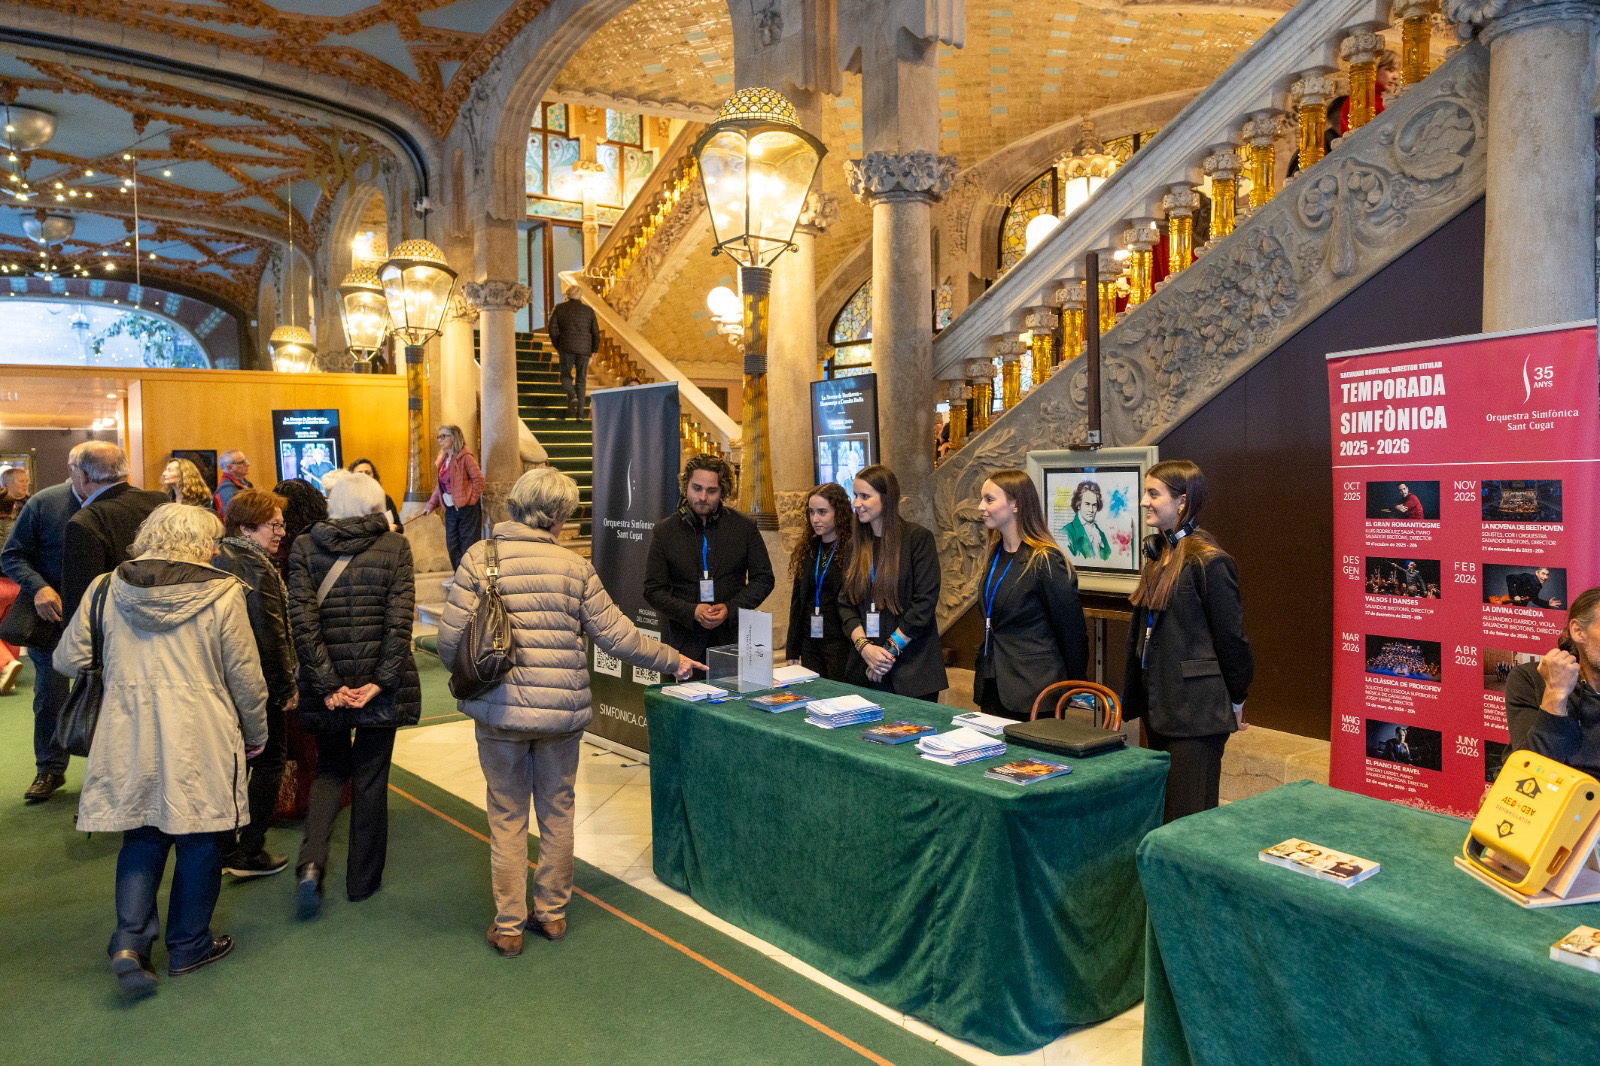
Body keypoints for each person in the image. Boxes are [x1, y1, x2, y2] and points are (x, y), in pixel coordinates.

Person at [436, 467, 703, 958]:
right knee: (558, 810)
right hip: (561, 715)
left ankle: (509, 926)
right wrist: (673, 660)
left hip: (499, 712)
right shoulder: (574, 567)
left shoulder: (479, 558)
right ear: (559, 516)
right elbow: (618, 637)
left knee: (507, 816)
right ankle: (552, 914)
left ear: (517, 505)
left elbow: (449, 641)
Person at [54, 503, 267, 996]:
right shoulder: (223, 592)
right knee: (200, 838)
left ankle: (129, 944)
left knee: (142, 834)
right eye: (213, 541)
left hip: (127, 729)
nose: (215, 549)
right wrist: (256, 731)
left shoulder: (106, 587)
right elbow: (245, 675)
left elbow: (68, 659)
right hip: (201, 730)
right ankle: (189, 946)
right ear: (201, 544)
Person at [287, 472, 419, 917]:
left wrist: (327, 684)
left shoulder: (304, 546)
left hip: (328, 682)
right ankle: (362, 882)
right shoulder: (395, 547)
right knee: (370, 777)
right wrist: (380, 681)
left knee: (329, 770)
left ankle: (311, 863)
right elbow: (400, 621)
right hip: (377, 684)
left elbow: (302, 623)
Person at [1121, 459, 1253, 823]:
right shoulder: (1160, 554)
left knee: (1188, 821)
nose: (1144, 501)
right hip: (1161, 706)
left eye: (1153, 494)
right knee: (1165, 818)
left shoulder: (1209, 561)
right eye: (1145, 493)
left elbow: (1232, 640)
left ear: (1182, 501)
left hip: (1196, 714)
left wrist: (1237, 699)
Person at [213, 489, 298, 879]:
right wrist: (285, 686)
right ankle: (249, 851)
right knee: (269, 762)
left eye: (281, 524)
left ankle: (223, 846)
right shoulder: (256, 567)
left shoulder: (218, 556)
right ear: (246, 528)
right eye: (272, 525)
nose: (280, 532)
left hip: (223, 679)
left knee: (233, 763)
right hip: (256, 681)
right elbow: (270, 635)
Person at [0, 448, 84, 800]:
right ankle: (49, 769)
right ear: (76, 470)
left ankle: (112, 774)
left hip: (106, 617)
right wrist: (39, 587)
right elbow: (12, 555)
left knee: (111, 695)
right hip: (51, 618)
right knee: (50, 694)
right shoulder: (45, 503)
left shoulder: (121, 503)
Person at [972, 469, 1088, 719]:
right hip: (993, 683)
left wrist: (1073, 685)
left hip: (1035, 690)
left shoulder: (1045, 559)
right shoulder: (994, 554)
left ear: (1016, 505)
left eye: (989, 499)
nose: (981, 507)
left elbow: (1072, 630)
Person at [644, 453, 774, 670]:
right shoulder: (665, 532)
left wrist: (730, 609)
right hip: (684, 647)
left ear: (723, 491)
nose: (703, 497)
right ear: (685, 486)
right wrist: (692, 611)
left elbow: (764, 579)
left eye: (711, 491)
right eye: (697, 488)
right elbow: (653, 590)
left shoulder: (744, 528)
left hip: (733, 642)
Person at [838, 464, 947, 702]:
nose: (857, 503)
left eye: (865, 496)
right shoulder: (854, 546)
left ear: (886, 498)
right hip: (864, 667)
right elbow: (845, 604)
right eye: (855, 495)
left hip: (913, 671)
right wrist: (865, 648)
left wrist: (887, 653)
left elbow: (924, 605)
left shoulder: (917, 539)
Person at [60, 442, 168, 648]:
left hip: (116, 637)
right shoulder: (160, 502)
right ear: (126, 471)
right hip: (167, 622)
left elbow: (80, 599)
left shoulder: (85, 521)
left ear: (83, 476)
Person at [1506, 587, 1600, 774]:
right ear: (1578, 631)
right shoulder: (1531, 679)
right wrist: (1556, 695)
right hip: (1553, 790)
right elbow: (1528, 772)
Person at [784, 483, 853, 680]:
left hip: (839, 640)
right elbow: (797, 602)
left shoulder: (851, 549)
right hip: (809, 640)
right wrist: (792, 649)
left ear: (839, 513)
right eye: (811, 512)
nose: (815, 519)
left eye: (822, 512)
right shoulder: (809, 548)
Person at [423, 424, 484, 571]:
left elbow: (479, 480)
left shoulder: (466, 457)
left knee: (467, 543)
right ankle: (458, 574)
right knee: (452, 543)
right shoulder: (444, 460)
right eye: (439, 437)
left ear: (454, 437)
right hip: (450, 509)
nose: (440, 440)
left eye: (444, 436)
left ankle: (468, 576)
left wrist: (470, 500)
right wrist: (430, 505)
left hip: (467, 508)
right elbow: (440, 487)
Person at [548, 285, 599, 419]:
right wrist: (594, 350)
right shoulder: (589, 311)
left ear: (567, 295)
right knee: (581, 380)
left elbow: (552, 329)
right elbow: (595, 332)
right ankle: (580, 414)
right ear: (580, 295)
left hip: (566, 347)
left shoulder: (559, 308)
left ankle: (572, 396)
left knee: (565, 376)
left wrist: (558, 344)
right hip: (584, 350)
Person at [1061, 479, 1112, 562]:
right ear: (1078, 504)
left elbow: (1108, 559)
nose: (1091, 510)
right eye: (1087, 504)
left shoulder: (1100, 533)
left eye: (1094, 505)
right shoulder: (1067, 532)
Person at [347, 458, 403, 532]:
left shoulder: (385, 499)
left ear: (374, 477)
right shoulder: (346, 502)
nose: (364, 476)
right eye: (359, 473)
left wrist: (395, 528)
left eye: (368, 473)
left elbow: (400, 528)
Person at [212, 449, 253, 517]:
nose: (248, 464)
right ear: (230, 468)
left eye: (246, 460)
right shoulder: (227, 490)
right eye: (242, 462)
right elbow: (235, 518)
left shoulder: (246, 483)